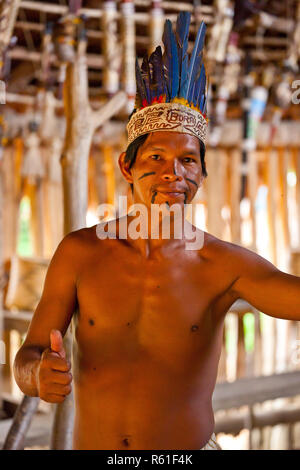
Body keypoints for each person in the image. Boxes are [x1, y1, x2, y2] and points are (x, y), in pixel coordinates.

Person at [13, 13, 300, 451]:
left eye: (188, 160)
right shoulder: (80, 253)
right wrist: (36, 375)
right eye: (156, 159)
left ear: (203, 172)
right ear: (128, 166)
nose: (174, 174)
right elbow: (27, 356)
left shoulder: (223, 266)